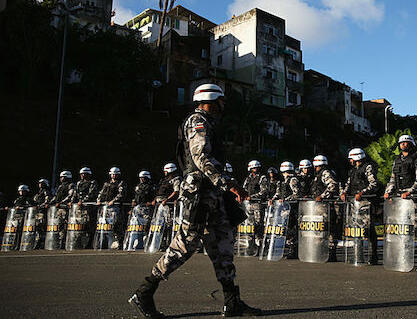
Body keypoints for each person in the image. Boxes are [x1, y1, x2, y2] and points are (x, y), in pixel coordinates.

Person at [128, 83, 261, 317]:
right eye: (222, 100)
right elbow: (200, 157)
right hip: (199, 192)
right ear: (212, 99)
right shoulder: (197, 121)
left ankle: (232, 301)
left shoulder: (209, 123)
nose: (224, 104)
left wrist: (225, 186)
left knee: (223, 244)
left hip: (212, 194)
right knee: (186, 243)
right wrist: (228, 183)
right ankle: (145, 292)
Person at [383, 135, 417, 271]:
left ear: (411, 144)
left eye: (406, 143)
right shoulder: (396, 160)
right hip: (399, 199)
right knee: (401, 228)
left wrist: (410, 191)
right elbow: (392, 178)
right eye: (402, 143)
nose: (404, 145)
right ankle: (403, 257)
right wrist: (388, 192)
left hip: (412, 198)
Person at [341, 148, 380, 264]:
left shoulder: (368, 168)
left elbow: (374, 184)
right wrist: (344, 193)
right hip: (355, 204)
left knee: (368, 229)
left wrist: (362, 193)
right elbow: (348, 184)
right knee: (356, 229)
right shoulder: (353, 171)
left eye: (351, 158)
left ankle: (373, 256)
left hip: (366, 203)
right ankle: (359, 255)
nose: (350, 161)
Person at [311, 155, 340, 262]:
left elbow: (332, 185)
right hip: (318, 207)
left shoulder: (325, 173)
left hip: (326, 206)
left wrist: (322, 196)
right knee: (320, 229)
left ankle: (331, 253)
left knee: (329, 228)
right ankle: (322, 252)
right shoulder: (319, 174)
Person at [271, 161, 301, 259]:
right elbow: (278, 193)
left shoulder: (293, 180)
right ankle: (289, 248)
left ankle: (293, 250)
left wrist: (285, 200)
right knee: (286, 228)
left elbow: (296, 193)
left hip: (292, 208)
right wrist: (272, 200)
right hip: (284, 209)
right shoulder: (283, 181)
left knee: (291, 228)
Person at [97, 166, 128, 248]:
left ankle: (120, 243)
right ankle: (104, 243)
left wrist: (113, 201)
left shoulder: (121, 183)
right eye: (112, 174)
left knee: (117, 226)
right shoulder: (107, 184)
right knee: (105, 225)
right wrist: (99, 200)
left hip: (116, 208)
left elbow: (121, 194)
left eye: (115, 174)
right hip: (106, 208)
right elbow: (101, 193)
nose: (114, 176)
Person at [69, 167, 99, 248]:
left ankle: (90, 243)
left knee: (89, 226)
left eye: (84, 174)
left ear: (88, 175)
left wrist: (83, 201)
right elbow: (75, 193)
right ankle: (78, 243)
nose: (82, 175)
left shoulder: (93, 182)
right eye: (81, 174)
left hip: (88, 208)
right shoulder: (79, 183)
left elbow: (92, 193)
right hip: (79, 208)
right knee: (79, 225)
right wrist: (72, 202)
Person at [48, 171, 75, 247]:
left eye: (62, 177)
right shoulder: (60, 186)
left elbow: (70, 196)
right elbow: (55, 197)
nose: (61, 178)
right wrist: (49, 203)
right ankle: (60, 241)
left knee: (65, 224)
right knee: (59, 225)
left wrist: (61, 203)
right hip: (58, 209)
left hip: (65, 208)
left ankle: (64, 241)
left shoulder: (71, 185)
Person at [32, 178, 53, 248]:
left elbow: (47, 201)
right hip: (37, 212)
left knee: (41, 227)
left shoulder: (46, 192)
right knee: (37, 227)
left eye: (42, 183)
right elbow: (34, 201)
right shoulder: (38, 193)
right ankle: (37, 241)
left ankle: (41, 242)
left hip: (42, 212)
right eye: (39, 183)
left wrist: (41, 206)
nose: (40, 184)